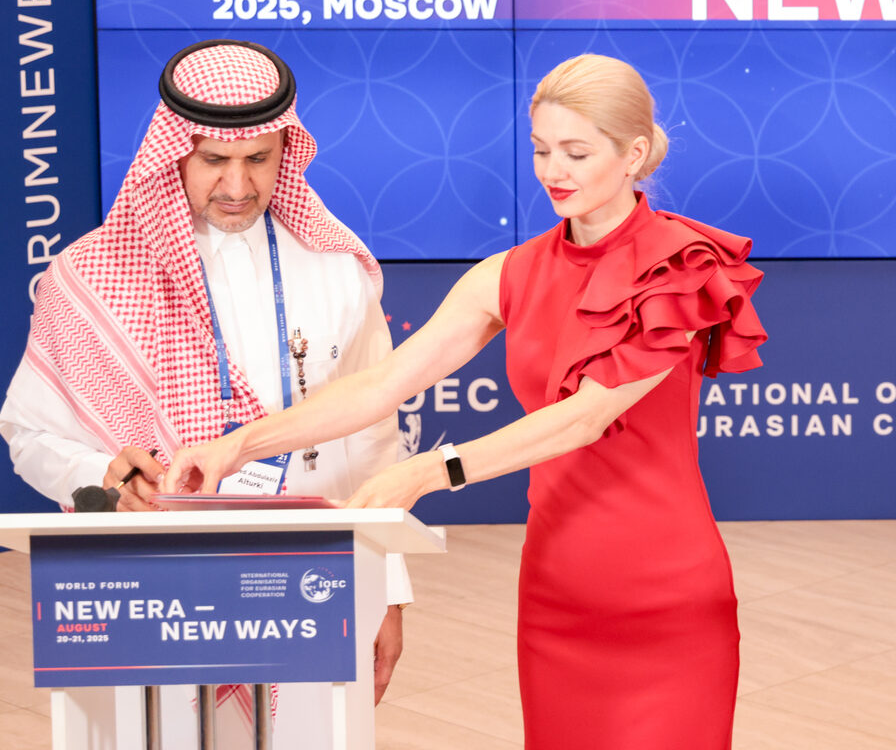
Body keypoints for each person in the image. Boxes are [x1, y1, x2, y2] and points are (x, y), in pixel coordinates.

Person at [165, 52, 767, 750]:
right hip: (556, 590)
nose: (553, 171)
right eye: (541, 150)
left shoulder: (681, 267)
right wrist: (236, 446)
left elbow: (586, 416)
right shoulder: (510, 273)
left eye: (576, 153)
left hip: (668, 592)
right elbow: (383, 384)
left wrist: (430, 471)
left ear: (633, 155)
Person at [0, 38, 410, 747]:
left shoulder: (334, 268)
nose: (238, 185)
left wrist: (389, 590)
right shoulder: (88, 278)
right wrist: (101, 477)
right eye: (214, 159)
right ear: (174, 154)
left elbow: (375, 441)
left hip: (310, 591)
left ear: (287, 151)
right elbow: (30, 434)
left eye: (260, 160)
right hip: (146, 597)